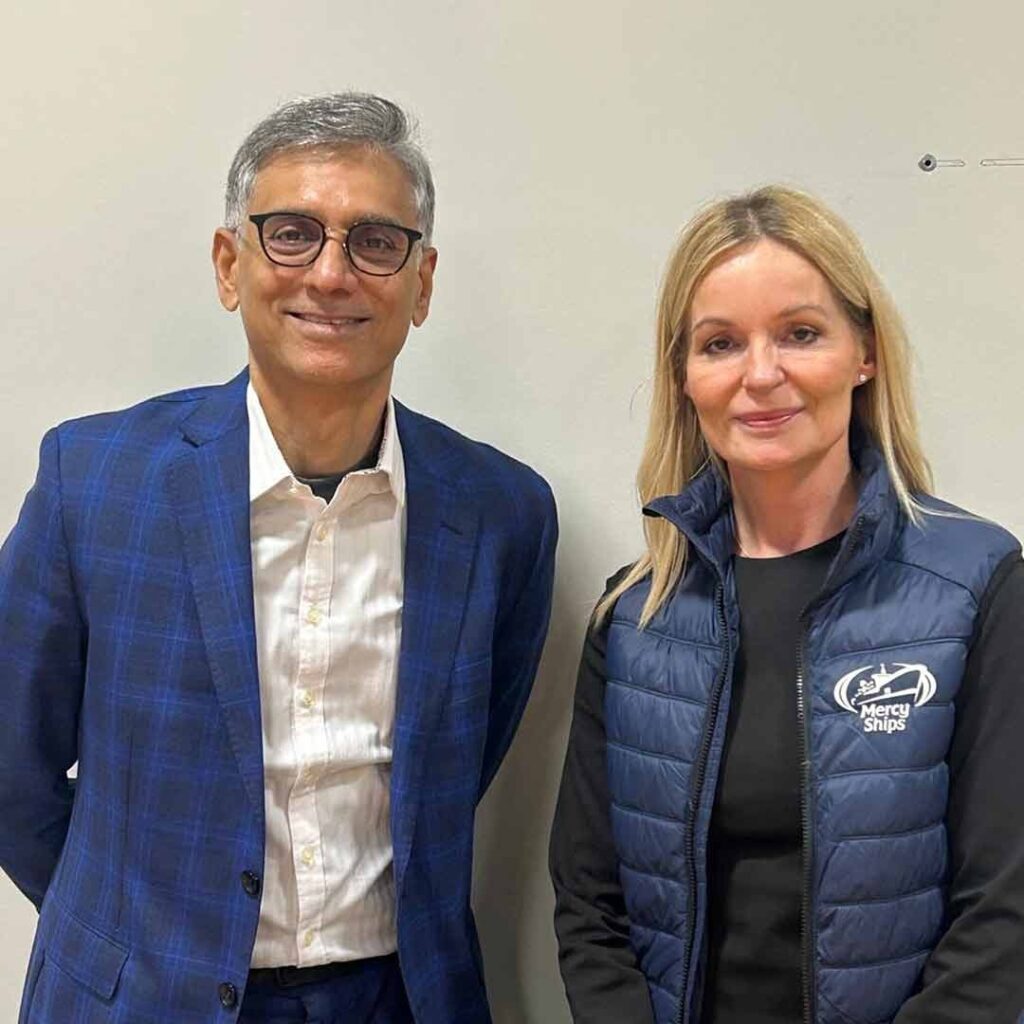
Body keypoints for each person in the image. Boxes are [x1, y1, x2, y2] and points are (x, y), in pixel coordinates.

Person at [0, 92, 557, 1024]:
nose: (332, 274)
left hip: (399, 999)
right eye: (292, 234)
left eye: (376, 242)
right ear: (230, 265)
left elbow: (463, 765)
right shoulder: (93, 484)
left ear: (422, 283)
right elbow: (10, 765)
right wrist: (129, 935)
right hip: (140, 1002)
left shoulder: (501, 515)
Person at [549, 185, 1024, 1024]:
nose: (760, 375)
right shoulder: (633, 615)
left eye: (800, 333)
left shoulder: (977, 584)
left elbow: (1005, 912)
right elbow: (591, 903)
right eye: (721, 343)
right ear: (685, 378)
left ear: (864, 352)